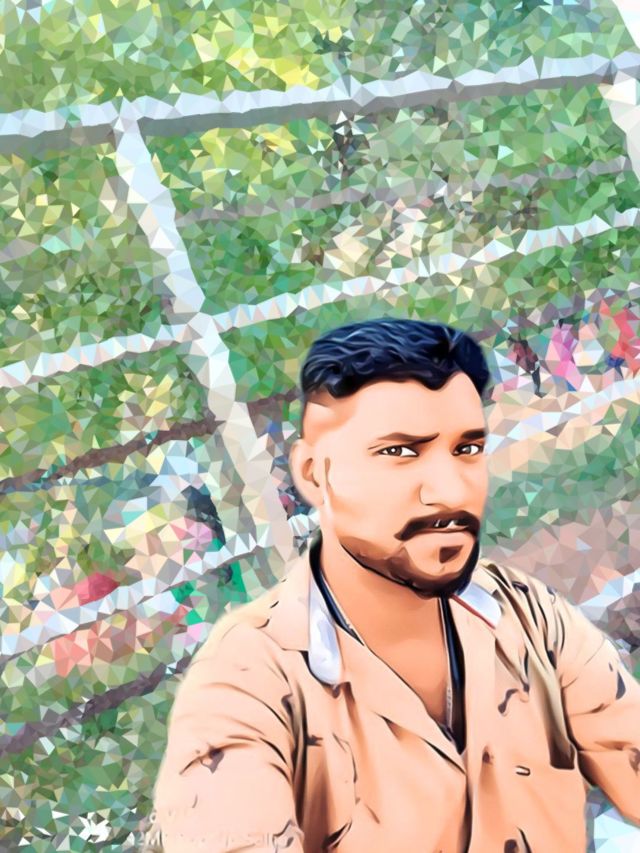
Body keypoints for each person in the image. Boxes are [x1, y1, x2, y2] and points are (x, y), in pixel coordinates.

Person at [146, 318, 640, 852]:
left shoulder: (527, 616)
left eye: (467, 449)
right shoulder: (248, 683)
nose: (450, 491)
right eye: (399, 453)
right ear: (313, 474)